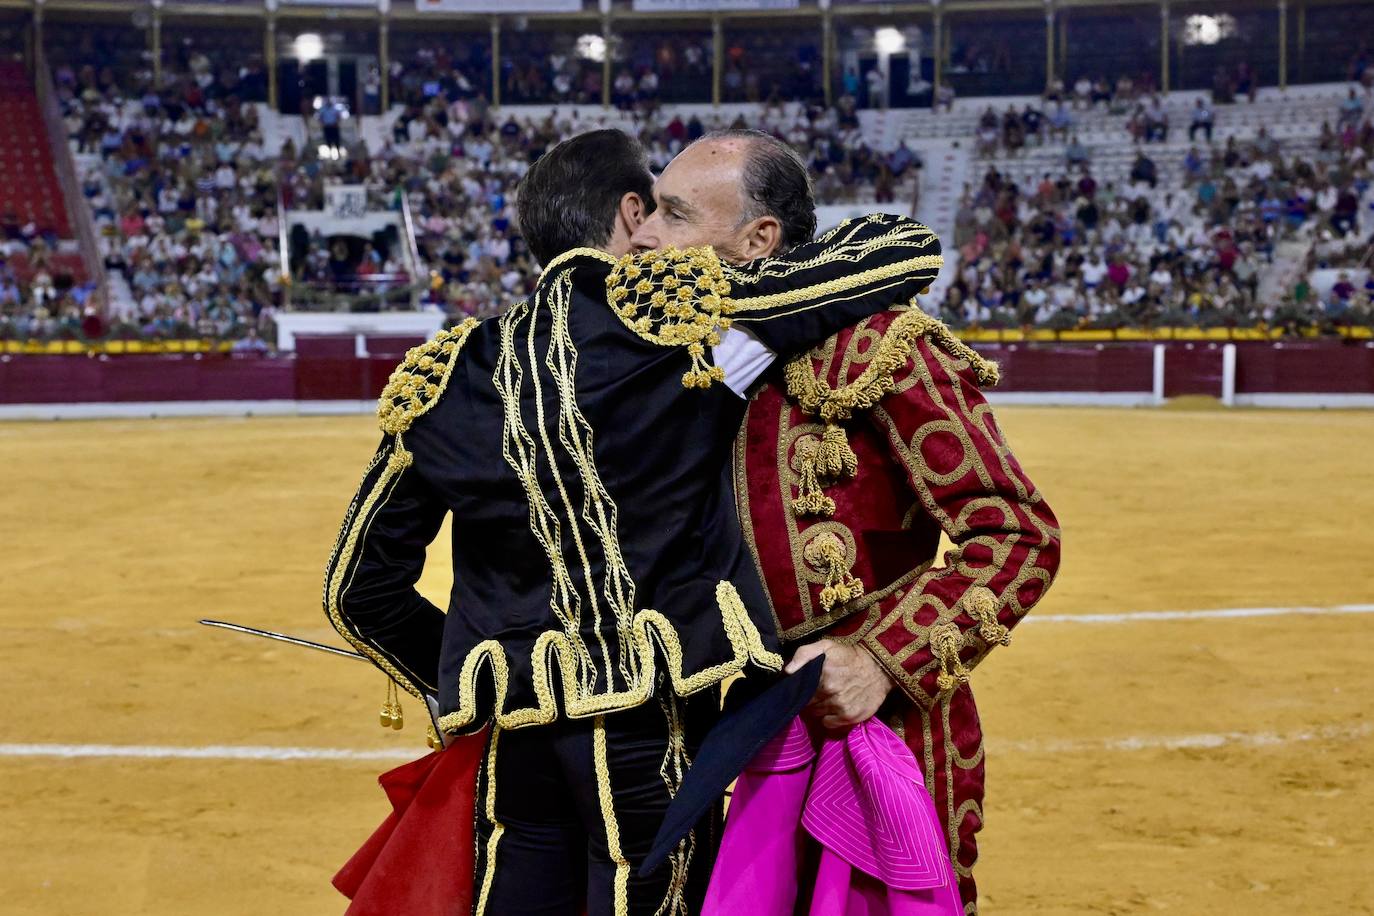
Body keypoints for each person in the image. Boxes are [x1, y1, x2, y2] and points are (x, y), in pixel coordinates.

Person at [324, 128, 943, 915]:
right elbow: (903, 251)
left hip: (511, 744)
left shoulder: (445, 370)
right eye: (657, 209)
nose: (659, 233)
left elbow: (356, 591)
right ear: (629, 211)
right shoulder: (680, 319)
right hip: (650, 730)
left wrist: (476, 678)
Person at [629, 129, 1062, 914]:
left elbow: (1016, 534)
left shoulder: (877, 346)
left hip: (863, 722)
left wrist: (883, 661)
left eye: (675, 214)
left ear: (757, 239)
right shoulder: (661, 360)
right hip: (700, 731)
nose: (645, 234)